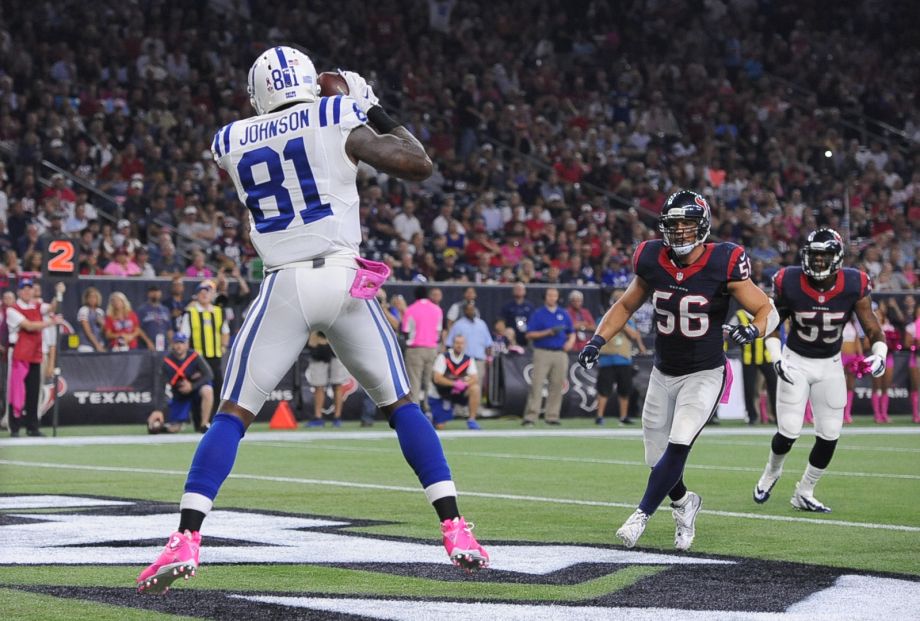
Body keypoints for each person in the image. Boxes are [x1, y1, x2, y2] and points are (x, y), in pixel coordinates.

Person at [137, 47, 487, 595]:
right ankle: (454, 527)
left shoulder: (230, 139)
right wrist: (371, 107)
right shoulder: (334, 113)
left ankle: (186, 537)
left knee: (231, 415)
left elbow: (276, 138)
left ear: (258, 92)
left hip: (284, 282)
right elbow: (419, 164)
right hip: (347, 281)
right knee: (401, 405)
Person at [578, 190, 777, 551]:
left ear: (702, 225)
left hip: (704, 373)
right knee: (656, 460)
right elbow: (624, 305)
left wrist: (754, 329)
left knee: (680, 441)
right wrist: (596, 340)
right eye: (674, 225)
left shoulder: (724, 260)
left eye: (687, 224)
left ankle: (640, 515)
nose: (680, 232)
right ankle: (685, 503)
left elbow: (767, 309)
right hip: (662, 371)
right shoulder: (652, 257)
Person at [753, 228, 886, 513]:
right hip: (796, 360)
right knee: (788, 431)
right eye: (814, 256)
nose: (818, 262)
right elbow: (773, 322)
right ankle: (771, 471)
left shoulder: (854, 283)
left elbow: (872, 327)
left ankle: (805, 491)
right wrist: (776, 357)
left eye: (824, 256)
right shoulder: (789, 280)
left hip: (831, 364)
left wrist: (880, 354)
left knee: (829, 433)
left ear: (837, 258)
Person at [6, 278, 64, 437]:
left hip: (35, 355)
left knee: (34, 392)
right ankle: (15, 427)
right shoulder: (12, 310)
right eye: (24, 288)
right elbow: (29, 326)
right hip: (19, 356)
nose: (27, 291)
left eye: (29, 288)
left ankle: (32, 427)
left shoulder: (38, 305)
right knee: (17, 393)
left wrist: (58, 293)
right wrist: (52, 322)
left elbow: (53, 306)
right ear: (19, 291)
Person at [178, 280, 230, 427]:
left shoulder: (219, 312)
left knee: (217, 387)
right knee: (198, 388)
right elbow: (184, 335)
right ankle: (198, 421)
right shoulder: (191, 313)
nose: (204, 295)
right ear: (197, 296)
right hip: (197, 359)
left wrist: (223, 347)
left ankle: (213, 420)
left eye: (207, 292)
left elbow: (225, 332)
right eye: (201, 292)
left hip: (215, 356)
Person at [522, 287, 574, 426]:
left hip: (560, 353)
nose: (552, 298)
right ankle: (531, 416)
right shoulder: (538, 314)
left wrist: (570, 342)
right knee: (537, 384)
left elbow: (571, 332)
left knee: (557, 385)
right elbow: (529, 334)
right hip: (542, 352)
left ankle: (552, 416)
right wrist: (547, 332)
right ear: (545, 297)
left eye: (554, 295)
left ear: (558, 297)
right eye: (550, 295)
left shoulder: (563, 313)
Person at [595, 289, 647, 425]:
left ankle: (623, 416)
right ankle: (599, 416)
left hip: (623, 358)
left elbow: (634, 335)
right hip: (607, 358)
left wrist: (621, 321)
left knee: (624, 389)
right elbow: (600, 332)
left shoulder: (629, 320)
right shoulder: (604, 318)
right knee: (603, 389)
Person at [147, 333, 215, 434]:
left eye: (182, 343)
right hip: (180, 395)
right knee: (174, 428)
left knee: (207, 390)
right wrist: (158, 409)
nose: (179, 346)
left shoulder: (194, 356)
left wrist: (192, 386)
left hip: (196, 391)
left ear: (187, 345)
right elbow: (160, 387)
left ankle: (204, 424)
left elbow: (209, 375)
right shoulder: (167, 361)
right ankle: (157, 425)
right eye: (176, 343)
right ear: (172, 345)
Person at [725, 308, 778, 425]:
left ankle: (776, 415)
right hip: (748, 357)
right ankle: (752, 416)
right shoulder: (739, 314)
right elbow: (728, 331)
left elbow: (775, 330)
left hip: (766, 356)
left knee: (774, 385)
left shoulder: (767, 311)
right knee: (749, 388)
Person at [401, 285, 443, 410]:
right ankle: (429, 408)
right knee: (428, 382)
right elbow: (439, 331)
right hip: (432, 350)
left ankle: (416, 411)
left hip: (415, 350)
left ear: (415, 295)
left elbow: (406, 331)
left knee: (414, 382)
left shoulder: (410, 309)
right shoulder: (437, 309)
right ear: (428, 295)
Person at [430, 334, 482, 430]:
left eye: (461, 343)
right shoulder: (443, 357)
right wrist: (454, 384)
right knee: (439, 426)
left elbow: (475, 378)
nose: (459, 345)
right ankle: (432, 416)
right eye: (457, 343)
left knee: (475, 388)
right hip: (442, 394)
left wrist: (464, 384)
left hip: (458, 393)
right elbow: (437, 378)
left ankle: (472, 420)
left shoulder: (468, 359)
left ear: (465, 345)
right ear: (453, 344)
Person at [305, 331, 348, 428]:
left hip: (336, 343)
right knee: (318, 385)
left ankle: (337, 417)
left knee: (337, 384)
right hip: (318, 343)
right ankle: (318, 417)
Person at [446, 301, 492, 380]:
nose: (471, 311)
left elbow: (488, 344)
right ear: (465, 311)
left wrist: (489, 357)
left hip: (479, 361)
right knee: (461, 386)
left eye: (473, 309)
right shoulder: (458, 325)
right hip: (463, 361)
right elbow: (449, 344)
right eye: (469, 309)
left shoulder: (482, 324)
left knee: (477, 386)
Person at [840, 317, 863, 424]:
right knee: (839, 386)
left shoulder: (854, 325)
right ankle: (839, 413)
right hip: (840, 356)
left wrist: (861, 357)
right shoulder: (838, 323)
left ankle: (847, 413)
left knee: (850, 385)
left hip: (852, 357)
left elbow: (857, 341)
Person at [137, 285, 173, 351]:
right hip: (147, 346)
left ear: (160, 293)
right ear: (148, 294)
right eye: (152, 292)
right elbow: (138, 328)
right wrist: (148, 342)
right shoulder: (142, 309)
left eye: (157, 292)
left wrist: (172, 343)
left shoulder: (165, 309)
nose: (155, 294)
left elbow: (169, 328)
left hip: (163, 345)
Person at [500, 282, 534, 349]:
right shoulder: (507, 306)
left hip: (526, 334)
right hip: (512, 334)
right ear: (513, 291)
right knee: (509, 331)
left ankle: (530, 352)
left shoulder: (530, 306)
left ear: (525, 291)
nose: (518, 291)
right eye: (517, 289)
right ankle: (513, 350)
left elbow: (534, 321)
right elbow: (501, 321)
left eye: (520, 289)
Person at [76, 286, 106, 352]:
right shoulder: (83, 310)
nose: (92, 299)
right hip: (85, 345)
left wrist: (102, 324)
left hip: (99, 343)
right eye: (90, 297)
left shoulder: (100, 311)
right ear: (86, 299)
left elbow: (101, 331)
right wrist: (97, 345)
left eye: (94, 297)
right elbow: (88, 331)